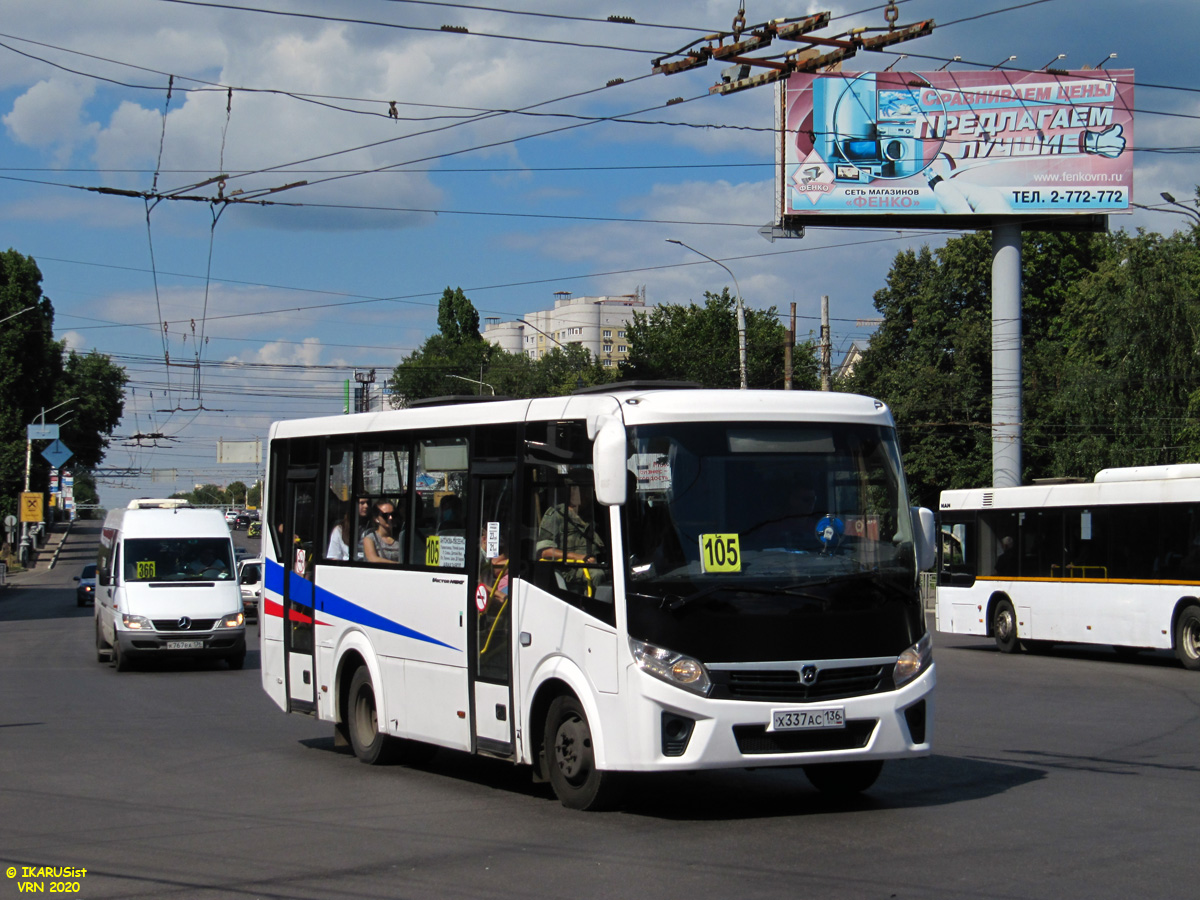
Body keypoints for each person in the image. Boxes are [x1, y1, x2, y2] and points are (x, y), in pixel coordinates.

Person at [537, 470, 605, 589]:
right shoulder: (555, 515)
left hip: (596, 564)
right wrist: (577, 557)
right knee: (597, 575)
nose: (587, 495)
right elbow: (544, 551)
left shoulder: (595, 513)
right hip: (569, 570)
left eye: (589, 490)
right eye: (582, 490)